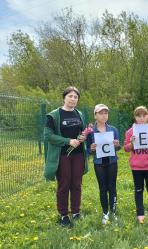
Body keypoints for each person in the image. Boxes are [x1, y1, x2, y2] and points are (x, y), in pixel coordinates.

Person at [43, 86, 88, 228]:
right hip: (62, 156)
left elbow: (83, 131)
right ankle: (64, 215)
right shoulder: (54, 115)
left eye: (75, 97)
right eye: (70, 96)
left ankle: (76, 212)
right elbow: (48, 136)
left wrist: (83, 137)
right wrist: (67, 141)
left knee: (76, 184)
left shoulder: (79, 114)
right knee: (64, 184)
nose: (73, 99)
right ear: (64, 98)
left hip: (78, 154)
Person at [124, 106, 148, 222]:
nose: (142, 118)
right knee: (138, 190)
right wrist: (131, 143)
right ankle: (140, 213)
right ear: (135, 117)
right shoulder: (130, 132)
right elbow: (126, 149)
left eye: (144, 115)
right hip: (136, 166)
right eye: (139, 116)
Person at [87, 104, 121, 224]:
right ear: (95, 115)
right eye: (100, 113)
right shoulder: (91, 132)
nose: (103, 115)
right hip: (99, 162)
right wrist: (92, 149)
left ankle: (113, 211)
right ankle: (105, 212)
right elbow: (88, 150)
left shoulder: (113, 130)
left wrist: (117, 145)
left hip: (112, 161)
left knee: (112, 187)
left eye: (105, 113)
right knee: (103, 188)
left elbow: (119, 146)